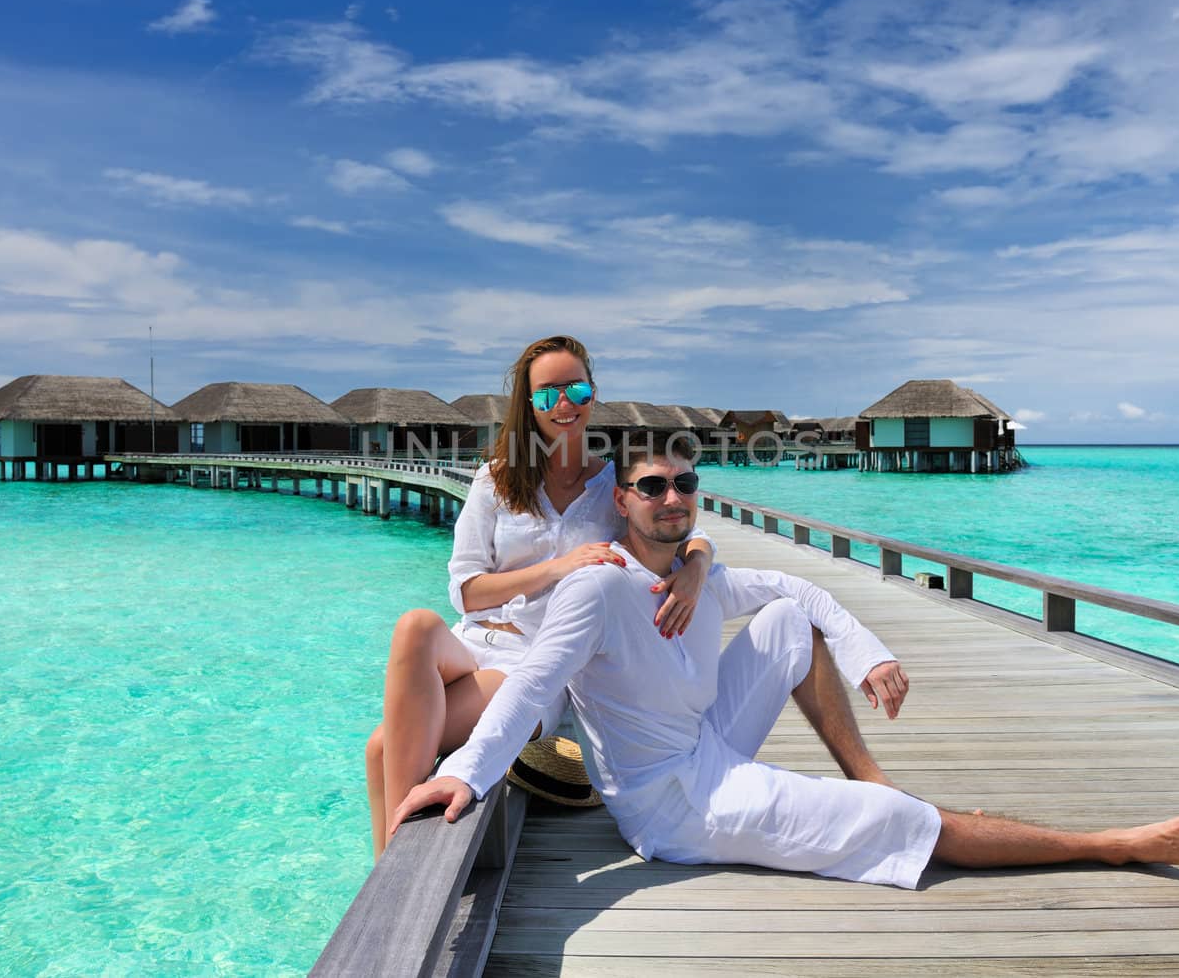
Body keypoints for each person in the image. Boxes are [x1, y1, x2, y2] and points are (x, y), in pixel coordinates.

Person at [391, 436, 1179, 888]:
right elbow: (533, 681)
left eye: (685, 481)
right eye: (652, 485)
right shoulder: (598, 590)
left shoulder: (694, 576)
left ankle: (870, 775)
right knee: (903, 828)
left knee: (788, 617)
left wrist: (869, 652)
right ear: (623, 499)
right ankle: (1111, 843)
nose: (672, 496)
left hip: (704, 742)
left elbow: (794, 585)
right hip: (673, 803)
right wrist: (465, 772)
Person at [367, 337, 879, 857]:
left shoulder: (612, 483)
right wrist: (557, 567)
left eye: (577, 389)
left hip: (537, 657)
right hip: (476, 640)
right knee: (413, 626)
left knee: (382, 747)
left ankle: (390, 865)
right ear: (528, 404)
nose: (564, 405)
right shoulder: (495, 481)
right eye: (548, 395)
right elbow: (466, 592)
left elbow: (674, 522)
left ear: (593, 394)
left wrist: (698, 564)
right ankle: (390, 867)